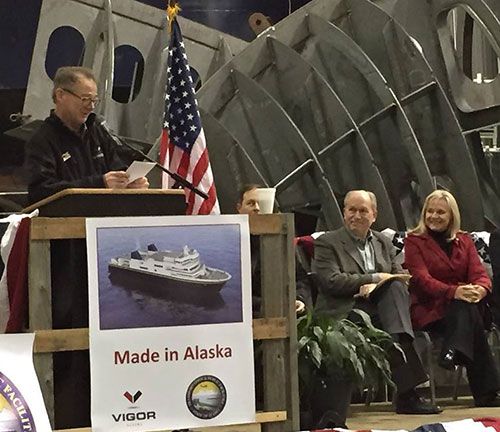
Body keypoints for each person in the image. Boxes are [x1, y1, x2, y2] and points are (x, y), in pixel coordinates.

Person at [313, 190, 440, 414]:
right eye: (352, 210)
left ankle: (406, 387)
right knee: (393, 316)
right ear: (344, 213)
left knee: (395, 289)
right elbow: (331, 281)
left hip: (380, 310)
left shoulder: (382, 241)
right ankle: (408, 395)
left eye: (363, 210)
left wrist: (382, 284)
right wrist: (373, 279)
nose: (357, 215)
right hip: (345, 311)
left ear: (374, 215)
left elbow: (398, 272)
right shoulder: (328, 242)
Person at [404, 189, 500, 407]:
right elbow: (420, 278)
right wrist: (454, 292)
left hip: (462, 311)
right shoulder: (414, 241)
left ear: (451, 217)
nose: (434, 216)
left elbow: (480, 274)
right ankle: (487, 393)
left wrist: (481, 290)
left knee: (467, 307)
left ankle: (454, 350)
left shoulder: (464, 240)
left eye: (440, 212)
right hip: (431, 309)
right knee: (467, 308)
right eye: (430, 211)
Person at [25, 66, 148, 204]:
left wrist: (129, 183)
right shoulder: (42, 139)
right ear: (60, 95)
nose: (91, 106)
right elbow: (40, 192)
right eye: (85, 99)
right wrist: (99, 183)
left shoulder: (96, 130)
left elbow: (116, 168)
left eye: (94, 100)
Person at [236, 184, 310, 315]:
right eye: (251, 203)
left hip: (283, 313)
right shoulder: (232, 244)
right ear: (239, 208)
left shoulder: (281, 243)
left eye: (261, 203)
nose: (257, 208)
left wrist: (298, 299)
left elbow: (300, 278)